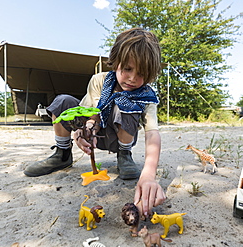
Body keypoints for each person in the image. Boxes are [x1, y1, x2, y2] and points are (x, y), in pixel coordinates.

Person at [23, 27, 166, 217]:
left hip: (120, 138)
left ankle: (124, 156)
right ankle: (62, 154)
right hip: (98, 131)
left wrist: (149, 174)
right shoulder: (100, 80)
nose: (132, 78)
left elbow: (152, 133)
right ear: (116, 63)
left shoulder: (147, 96)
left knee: (127, 105)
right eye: (127, 69)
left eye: (141, 74)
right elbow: (93, 112)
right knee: (63, 102)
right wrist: (84, 130)